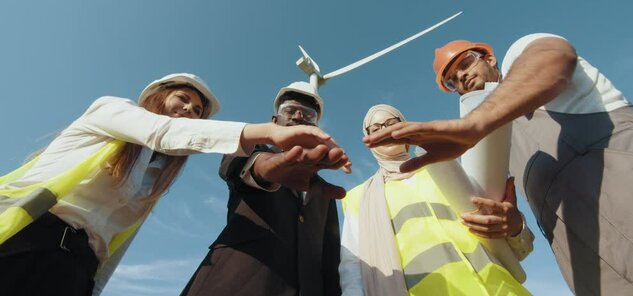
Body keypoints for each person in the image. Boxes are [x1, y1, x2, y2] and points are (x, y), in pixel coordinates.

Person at [0, 73, 348, 296]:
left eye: (197, 111)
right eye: (183, 99)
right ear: (159, 95)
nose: (189, 111)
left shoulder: (153, 177)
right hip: (24, 239)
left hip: (75, 271)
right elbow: (164, 133)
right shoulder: (110, 110)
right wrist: (267, 133)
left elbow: (115, 247)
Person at [364, 34, 633, 295]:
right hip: (592, 268)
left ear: (489, 58)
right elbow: (511, 228)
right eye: (452, 81)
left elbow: (554, 55)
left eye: (465, 63)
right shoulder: (487, 149)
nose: (461, 77)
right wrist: (512, 224)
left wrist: (474, 124)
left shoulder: (523, 56)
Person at [340, 104, 532, 296]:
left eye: (391, 123)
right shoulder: (359, 199)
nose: (385, 130)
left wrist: (516, 227)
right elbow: (353, 268)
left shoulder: (450, 170)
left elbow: (519, 244)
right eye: (376, 128)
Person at [181, 81, 348, 296]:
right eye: (289, 110)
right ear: (275, 120)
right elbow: (241, 168)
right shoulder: (248, 149)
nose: (298, 116)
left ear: (315, 127)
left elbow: (330, 258)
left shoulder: (325, 192)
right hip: (235, 283)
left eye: (308, 115)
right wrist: (266, 168)